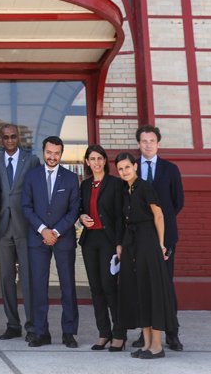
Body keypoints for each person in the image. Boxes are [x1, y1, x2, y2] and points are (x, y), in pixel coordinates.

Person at [115, 152, 177, 360]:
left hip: (148, 241)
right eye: (120, 169)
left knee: (152, 292)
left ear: (135, 166)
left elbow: (158, 215)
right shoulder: (126, 190)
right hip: (133, 243)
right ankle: (148, 343)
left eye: (127, 167)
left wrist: (160, 244)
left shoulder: (144, 186)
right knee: (141, 291)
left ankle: (157, 346)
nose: (124, 171)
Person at [21, 135, 80, 349]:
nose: (52, 156)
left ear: (61, 154)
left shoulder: (71, 178)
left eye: (56, 153)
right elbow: (26, 206)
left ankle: (69, 333)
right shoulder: (32, 176)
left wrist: (55, 231)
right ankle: (40, 332)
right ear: (43, 152)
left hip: (63, 239)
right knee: (38, 286)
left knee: (68, 287)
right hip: (38, 238)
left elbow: (74, 209)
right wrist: (43, 230)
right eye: (49, 152)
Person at [135, 124, 184, 351]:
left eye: (151, 141)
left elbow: (177, 202)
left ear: (158, 143)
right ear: (139, 144)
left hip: (166, 237)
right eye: (144, 141)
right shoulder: (133, 169)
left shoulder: (170, 169)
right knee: (143, 285)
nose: (147, 145)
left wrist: (162, 224)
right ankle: (145, 333)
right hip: (140, 238)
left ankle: (171, 333)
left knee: (165, 283)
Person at [0, 122, 39, 341]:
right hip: (3, 227)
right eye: (6, 137)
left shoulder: (32, 160)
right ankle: (12, 324)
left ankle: (32, 325)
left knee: (28, 279)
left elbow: (37, 193)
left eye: (13, 136)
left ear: (18, 138)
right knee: (6, 278)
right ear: (1, 140)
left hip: (25, 226)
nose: (10, 140)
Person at [78, 144, 125, 351]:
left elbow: (120, 216)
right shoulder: (85, 185)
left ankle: (119, 334)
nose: (96, 162)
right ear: (87, 162)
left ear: (105, 161)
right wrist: (81, 217)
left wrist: (119, 243)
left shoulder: (115, 184)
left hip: (108, 241)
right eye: (92, 159)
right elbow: (80, 208)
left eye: (100, 158)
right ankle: (103, 333)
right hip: (90, 241)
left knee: (109, 287)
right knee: (95, 288)